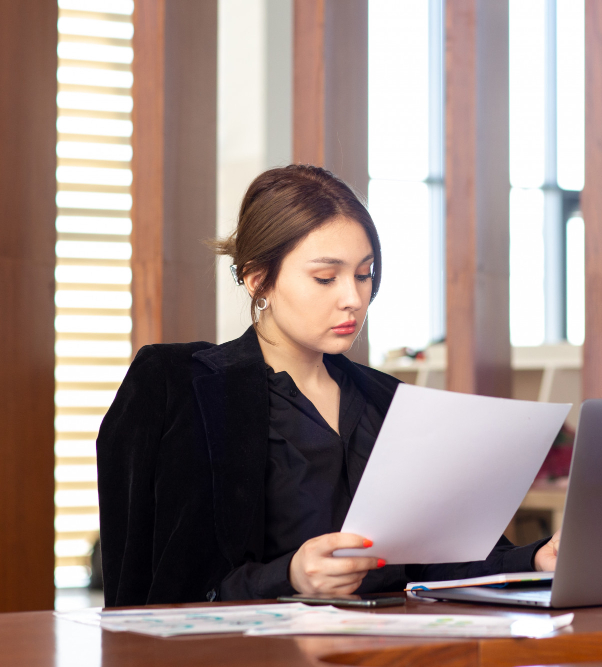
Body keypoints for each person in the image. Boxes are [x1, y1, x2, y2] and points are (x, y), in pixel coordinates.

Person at [97, 165, 559, 606]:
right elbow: (157, 584)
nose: (353, 298)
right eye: (325, 277)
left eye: (364, 274)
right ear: (260, 278)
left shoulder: (387, 399)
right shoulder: (178, 385)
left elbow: (442, 557)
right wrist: (291, 576)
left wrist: (535, 560)